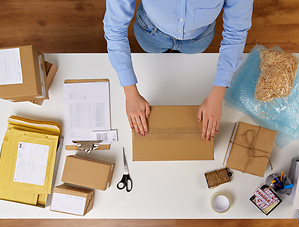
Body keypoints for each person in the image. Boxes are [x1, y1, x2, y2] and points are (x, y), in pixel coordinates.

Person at [103, 0, 253, 141]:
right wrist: (130, 92)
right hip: (151, 33)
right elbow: (115, 28)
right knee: (155, 56)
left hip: (198, 39)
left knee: (185, 65)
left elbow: (236, 33)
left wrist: (217, 95)